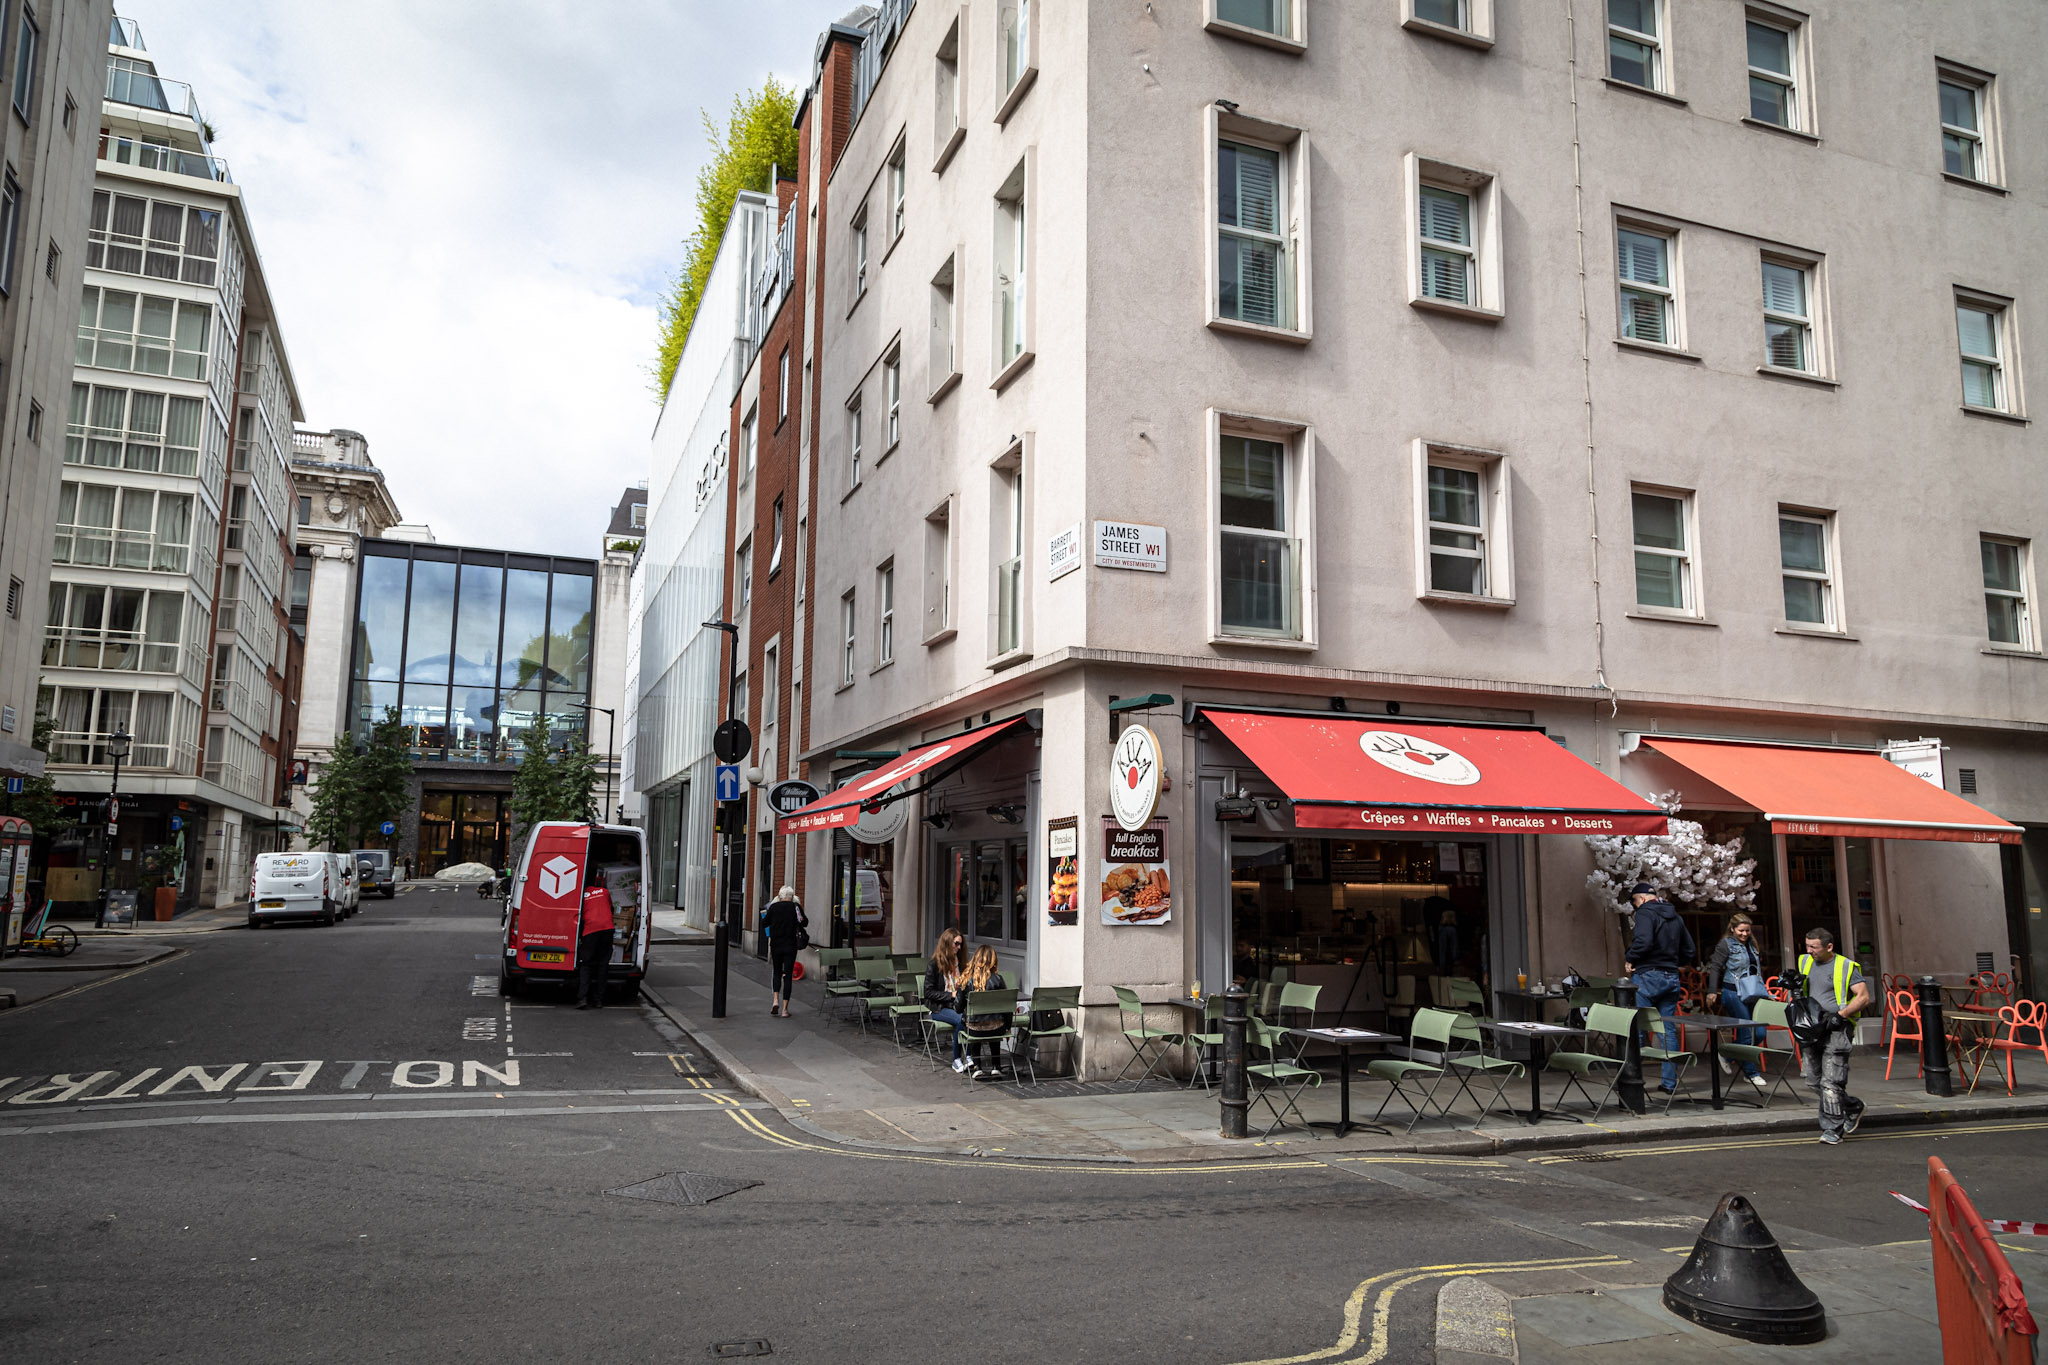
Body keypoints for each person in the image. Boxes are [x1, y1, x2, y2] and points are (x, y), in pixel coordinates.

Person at [1798, 926, 1870, 1145]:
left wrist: (1842, 1014)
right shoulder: (1805, 961)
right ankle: (1852, 1106)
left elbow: (1864, 997)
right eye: (1807, 946)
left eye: (1814, 947)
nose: (1809, 951)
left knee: (1831, 1083)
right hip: (1813, 1028)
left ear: (1829, 947)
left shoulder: (1846, 966)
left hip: (1837, 1028)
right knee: (1813, 1082)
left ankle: (1832, 1129)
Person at [1624, 881, 1695, 1095]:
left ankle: (1633, 1081)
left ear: (1643, 898)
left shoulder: (1645, 913)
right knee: (1667, 1031)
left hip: (1647, 975)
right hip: (1671, 976)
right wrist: (1671, 962)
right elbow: (1689, 950)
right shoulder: (1675, 916)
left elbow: (1644, 942)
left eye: (1636, 902)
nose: (1636, 907)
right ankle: (1669, 1084)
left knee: (1636, 1027)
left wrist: (1630, 958)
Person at [1705, 912, 1769, 1088]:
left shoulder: (1752, 944)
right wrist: (1712, 991)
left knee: (1760, 1032)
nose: (1744, 934)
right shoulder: (1726, 945)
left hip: (1752, 993)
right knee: (1746, 1032)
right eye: (1741, 930)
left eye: (1747, 930)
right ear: (1732, 929)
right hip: (1733, 992)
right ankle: (1751, 1073)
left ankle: (1728, 1054)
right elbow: (1716, 967)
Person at [956, 945, 1010, 1080]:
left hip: (974, 1030)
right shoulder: (998, 980)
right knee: (994, 1024)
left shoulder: (967, 980)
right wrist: (1008, 1026)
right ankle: (996, 1067)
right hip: (997, 1029)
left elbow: (957, 1007)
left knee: (974, 1023)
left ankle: (977, 1067)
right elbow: (1007, 1007)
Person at [923, 928, 970, 1072]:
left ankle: (969, 1056)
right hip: (939, 1007)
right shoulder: (934, 964)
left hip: (957, 1005)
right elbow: (928, 992)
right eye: (956, 944)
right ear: (947, 943)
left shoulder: (960, 964)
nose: (958, 947)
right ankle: (957, 1059)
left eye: (960, 944)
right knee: (963, 1019)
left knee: (971, 1017)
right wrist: (951, 995)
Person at [761, 885, 807, 1018]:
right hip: (790, 946)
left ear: (780, 896)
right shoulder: (795, 907)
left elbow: (764, 923)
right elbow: (804, 922)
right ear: (791, 896)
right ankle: (785, 1010)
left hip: (776, 945)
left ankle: (775, 1000)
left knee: (776, 972)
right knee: (787, 976)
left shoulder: (773, 907)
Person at [575, 880, 614, 1010]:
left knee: (586, 964)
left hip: (590, 930)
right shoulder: (605, 892)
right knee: (603, 964)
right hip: (607, 929)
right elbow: (611, 909)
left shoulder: (581, 895)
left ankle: (582, 999)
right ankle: (598, 1000)